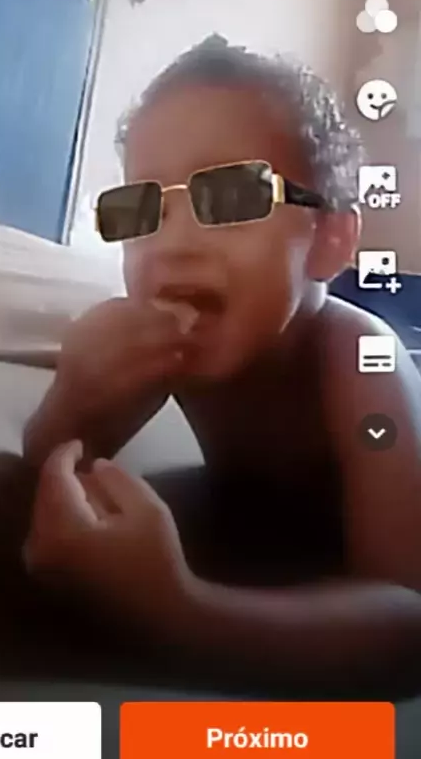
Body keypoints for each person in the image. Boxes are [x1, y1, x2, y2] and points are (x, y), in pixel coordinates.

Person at [23, 36, 421, 693]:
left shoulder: (360, 362)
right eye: (142, 209)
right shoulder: (172, 347)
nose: (170, 243)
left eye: (233, 197)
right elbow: (53, 470)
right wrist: (73, 403)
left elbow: (409, 611)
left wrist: (181, 608)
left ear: (329, 240)